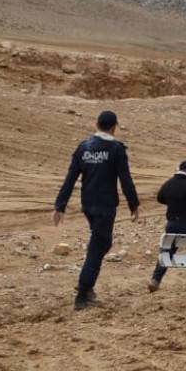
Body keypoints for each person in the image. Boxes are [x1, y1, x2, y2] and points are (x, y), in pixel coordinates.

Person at [53, 110, 140, 310]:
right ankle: (84, 292)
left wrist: (60, 205)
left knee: (101, 242)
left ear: (97, 124)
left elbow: (70, 178)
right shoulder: (116, 149)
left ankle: (86, 286)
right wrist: (134, 204)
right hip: (106, 206)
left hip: (88, 204)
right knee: (99, 245)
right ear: (113, 127)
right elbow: (125, 180)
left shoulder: (84, 147)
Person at [148, 160, 186, 292]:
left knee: (167, 252)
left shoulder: (168, 183)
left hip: (172, 223)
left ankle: (155, 280)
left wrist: (172, 203)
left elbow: (160, 198)